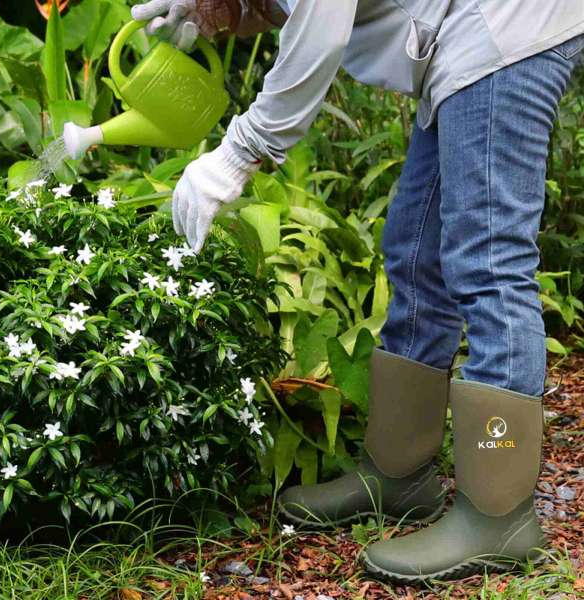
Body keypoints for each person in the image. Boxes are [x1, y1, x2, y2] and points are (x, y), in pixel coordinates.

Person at [131, 0, 584, 584]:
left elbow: (323, 23)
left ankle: (499, 513)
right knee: (415, 252)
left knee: (488, 258)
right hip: (463, 30)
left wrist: (242, 149)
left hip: (506, 25)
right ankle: (399, 472)